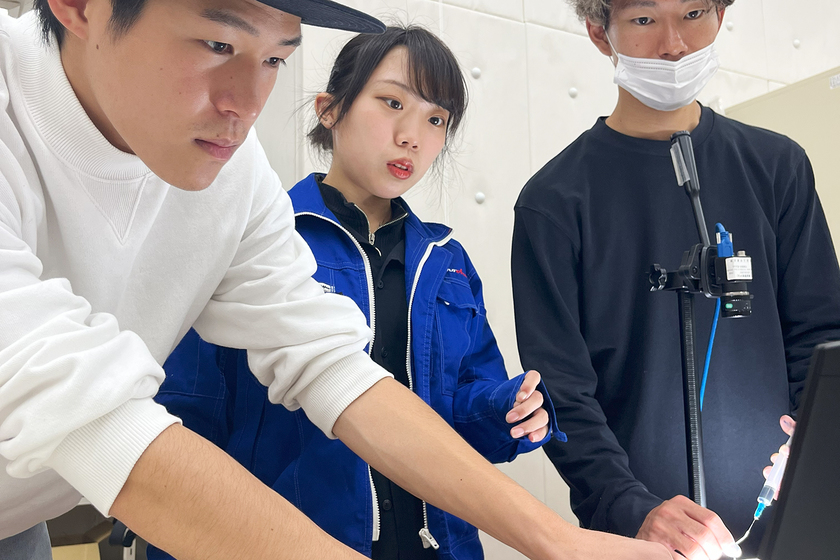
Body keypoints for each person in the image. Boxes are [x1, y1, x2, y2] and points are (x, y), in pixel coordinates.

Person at [0, 1, 674, 560]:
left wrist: (561, 541)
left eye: (274, 59)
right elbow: (99, 416)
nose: (245, 104)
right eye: (216, 44)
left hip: (22, 511)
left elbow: (331, 366)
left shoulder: (237, 176)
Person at [150, 25, 561, 560]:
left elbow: (457, 420)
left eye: (436, 119)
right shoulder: (260, 242)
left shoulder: (448, 262)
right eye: (393, 103)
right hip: (294, 545)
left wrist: (508, 408)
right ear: (330, 110)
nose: (412, 136)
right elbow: (187, 426)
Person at [511, 0, 840, 559]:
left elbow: (820, 336)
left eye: (693, 13)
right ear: (599, 32)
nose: (674, 45)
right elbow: (561, 389)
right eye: (644, 20)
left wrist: (811, 457)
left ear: (721, 15)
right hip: (637, 542)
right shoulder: (555, 201)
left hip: (785, 527)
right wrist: (630, 507)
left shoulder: (777, 167)